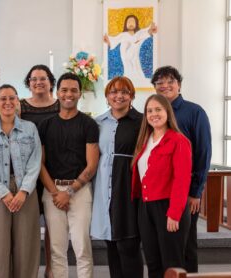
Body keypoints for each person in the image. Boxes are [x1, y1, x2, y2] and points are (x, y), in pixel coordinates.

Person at [0, 84, 42, 278]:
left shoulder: (30, 129)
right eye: (3, 99)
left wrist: (24, 191)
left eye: (11, 98)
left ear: (17, 101)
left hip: (25, 191)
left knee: (26, 244)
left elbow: (35, 161)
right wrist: (3, 193)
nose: (7, 102)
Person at [151, 66, 212, 273]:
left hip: (185, 191)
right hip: (160, 193)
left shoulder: (194, 112)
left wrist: (195, 192)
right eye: (159, 83)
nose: (165, 86)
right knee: (165, 244)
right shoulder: (153, 114)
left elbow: (203, 153)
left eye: (170, 81)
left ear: (179, 84)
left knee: (185, 244)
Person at [39, 72, 99, 278]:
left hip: (80, 191)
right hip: (52, 191)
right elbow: (40, 164)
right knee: (56, 250)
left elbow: (91, 165)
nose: (68, 94)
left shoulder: (88, 124)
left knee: (82, 248)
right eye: (64, 90)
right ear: (57, 93)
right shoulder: (45, 125)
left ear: (80, 93)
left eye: (74, 90)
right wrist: (56, 193)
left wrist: (70, 191)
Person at [131, 94, 192, 278]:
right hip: (146, 207)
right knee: (152, 261)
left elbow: (182, 180)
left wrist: (174, 213)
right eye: (149, 111)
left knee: (172, 264)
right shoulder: (145, 139)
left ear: (168, 112)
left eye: (158, 109)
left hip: (168, 207)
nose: (153, 114)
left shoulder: (178, 141)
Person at [91, 76, 143, 278]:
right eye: (113, 92)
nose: (118, 96)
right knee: (111, 245)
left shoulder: (141, 121)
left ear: (131, 96)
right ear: (107, 96)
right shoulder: (98, 123)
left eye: (124, 92)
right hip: (105, 188)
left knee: (128, 245)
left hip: (128, 188)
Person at [20, 64, 59, 278]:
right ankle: (29, 269)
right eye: (33, 79)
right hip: (28, 172)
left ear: (51, 82)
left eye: (42, 78)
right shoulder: (20, 106)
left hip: (55, 170)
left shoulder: (61, 105)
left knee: (53, 225)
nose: (38, 82)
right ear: (28, 83)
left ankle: (51, 268)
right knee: (29, 225)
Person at [104, 14, 157, 82]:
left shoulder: (138, 34)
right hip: (126, 55)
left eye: (133, 22)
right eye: (129, 22)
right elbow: (114, 40)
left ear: (136, 23)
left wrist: (150, 30)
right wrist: (108, 40)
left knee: (136, 67)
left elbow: (145, 32)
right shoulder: (123, 35)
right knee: (128, 68)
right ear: (125, 24)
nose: (131, 24)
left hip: (134, 55)